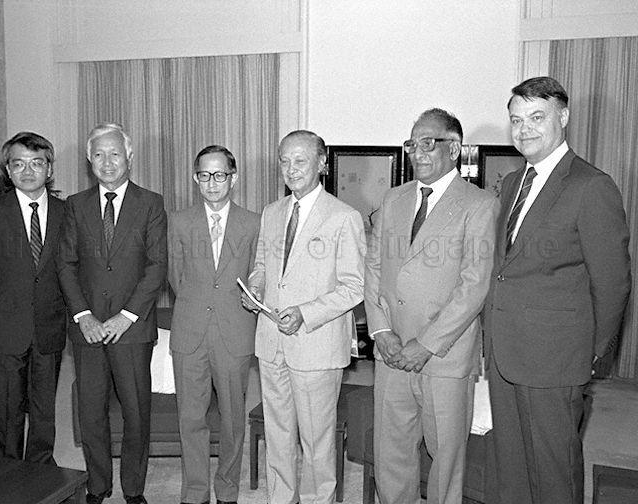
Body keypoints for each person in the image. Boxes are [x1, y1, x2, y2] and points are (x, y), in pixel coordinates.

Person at [484, 76, 631, 504]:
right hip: (505, 354)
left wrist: (589, 354)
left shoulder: (591, 186)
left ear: (563, 117)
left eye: (536, 117)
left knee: (553, 475)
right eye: (516, 120)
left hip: (556, 360)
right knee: (509, 468)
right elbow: (504, 270)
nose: (524, 129)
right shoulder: (512, 184)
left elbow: (613, 283)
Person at [364, 109, 498, 504]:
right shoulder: (393, 198)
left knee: (446, 460)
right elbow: (373, 267)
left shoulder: (480, 204)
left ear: (454, 148)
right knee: (391, 454)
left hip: (443, 356)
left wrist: (426, 344)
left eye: (428, 142)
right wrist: (380, 330)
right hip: (391, 352)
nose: (417, 152)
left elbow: (475, 285)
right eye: (412, 144)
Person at [243, 130, 365, 504]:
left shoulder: (344, 217)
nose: (290, 169)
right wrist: (254, 288)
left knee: (317, 440)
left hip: (316, 344)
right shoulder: (272, 212)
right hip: (271, 341)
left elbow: (354, 286)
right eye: (284, 161)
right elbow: (262, 266)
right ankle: (280, 498)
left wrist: (305, 314)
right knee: (278, 435)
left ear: (322, 164)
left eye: (300, 160)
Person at [57, 123, 168, 504]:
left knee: (137, 415)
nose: (107, 162)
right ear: (89, 160)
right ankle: (98, 485)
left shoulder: (151, 203)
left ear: (129, 157)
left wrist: (126, 316)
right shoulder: (75, 205)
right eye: (99, 154)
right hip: (86, 331)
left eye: (115, 153)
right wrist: (83, 316)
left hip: (131, 331)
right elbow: (66, 265)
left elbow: (157, 266)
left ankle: (134, 490)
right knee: (91, 414)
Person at [0, 131, 66, 465]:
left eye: (37, 163)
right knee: (6, 413)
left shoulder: (69, 214)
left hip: (49, 327)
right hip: (4, 328)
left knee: (43, 411)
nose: (28, 171)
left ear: (49, 169)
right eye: (18, 164)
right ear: (8, 171)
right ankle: (6, 479)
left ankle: (40, 476)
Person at [168, 145, 260, 504]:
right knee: (191, 418)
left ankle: (227, 491)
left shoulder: (254, 222)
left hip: (234, 332)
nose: (212, 182)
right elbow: (176, 278)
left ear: (233, 178)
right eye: (204, 175)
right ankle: (194, 492)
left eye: (220, 174)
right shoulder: (178, 221)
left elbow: (257, 273)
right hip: (189, 331)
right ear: (195, 178)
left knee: (233, 420)